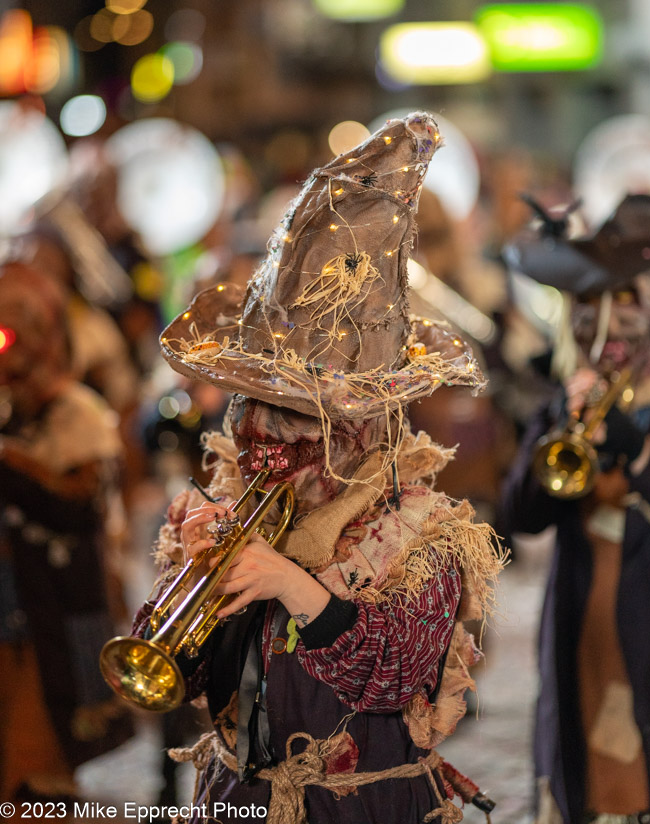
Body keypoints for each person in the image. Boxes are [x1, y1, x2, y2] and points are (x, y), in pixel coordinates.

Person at [114, 113, 505, 823]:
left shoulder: (423, 536)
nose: (267, 435)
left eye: (300, 417)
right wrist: (186, 579)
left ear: (363, 425)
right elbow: (183, 679)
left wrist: (293, 585)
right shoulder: (224, 505)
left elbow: (389, 677)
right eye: (255, 405)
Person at [500, 194, 650, 824]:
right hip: (583, 643)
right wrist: (559, 425)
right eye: (589, 305)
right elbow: (517, 518)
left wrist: (637, 447)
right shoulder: (566, 398)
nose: (606, 326)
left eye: (625, 302)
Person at [0, 261, 132, 802]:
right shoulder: (15, 411)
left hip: (53, 610)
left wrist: (10, 463)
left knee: (39, 759)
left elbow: (75, 505)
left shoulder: (79, 413)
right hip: (15, 606)